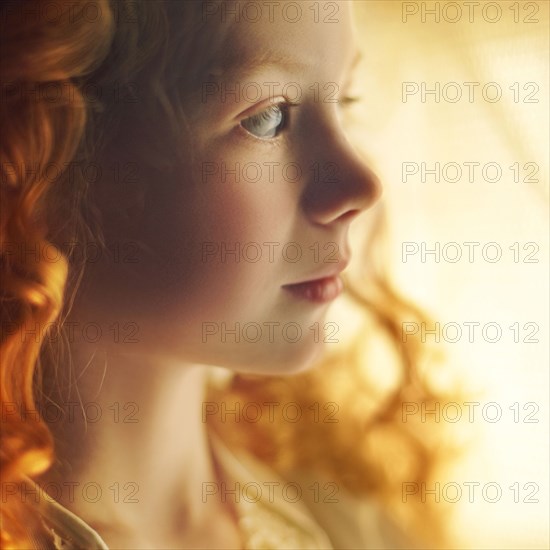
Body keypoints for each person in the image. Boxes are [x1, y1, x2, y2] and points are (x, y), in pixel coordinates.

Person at [1, 1, 450, 548]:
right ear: (37, 162)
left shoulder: (349, 515)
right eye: (268, 117)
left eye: (345, 100)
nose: (361, 184)